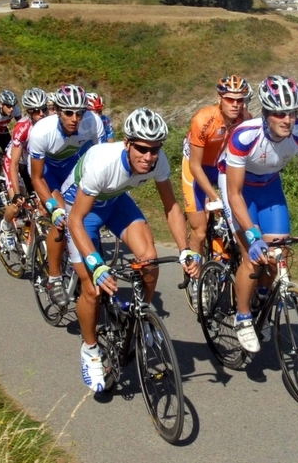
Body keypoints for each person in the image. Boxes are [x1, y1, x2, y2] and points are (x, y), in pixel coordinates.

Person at [56, 108, 200, 392]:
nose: (148, 157)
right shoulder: (104, 163)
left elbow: (170, 207)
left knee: (149, 259)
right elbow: (75, 220)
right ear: (128, 143)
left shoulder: (157, 163)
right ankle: (91, 350)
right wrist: (96, 264)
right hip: (82, 210)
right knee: (92, 289)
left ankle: (141, 318)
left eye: (155, 149)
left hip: (114, 201)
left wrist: (185, 249)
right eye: (142, 149)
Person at [222, 75, 298, 354]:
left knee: (279, 255)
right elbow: (234, 194)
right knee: (252, 259)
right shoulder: (244, 135)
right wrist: (252, 235)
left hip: (269, 188)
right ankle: (242, 317)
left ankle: (262, 297)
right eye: (279, 113)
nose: (287, 119)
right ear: (265, 112)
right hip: (239, 190)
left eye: (292, 112)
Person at [27, 84, 105, 307]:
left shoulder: (92, 122)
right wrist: (52, 206)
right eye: (68, 113)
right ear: (57, 111)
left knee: (87, 216)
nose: (75, 118)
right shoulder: (42, 131)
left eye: (79, 113)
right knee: (62, 221)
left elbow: (104, 159)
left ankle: (78, 262)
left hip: (75, 171)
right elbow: (36, 177)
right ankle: (54, 278)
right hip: (50, 175)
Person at [181, 75, 251, 301]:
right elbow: (194, 165)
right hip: (197, 167)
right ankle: (194, 280)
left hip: (222, 168)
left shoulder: (245, 119)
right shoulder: (203, 119)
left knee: (233, 219)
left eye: (240, 100)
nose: (236, 105)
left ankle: (223, 259)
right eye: (230, 99)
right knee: (200, 229)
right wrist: (213, 196)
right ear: (219, 98)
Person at [0, 88, 49, 249]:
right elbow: (13, 163)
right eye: (36, 111)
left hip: (32, 164)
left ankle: (31, 231)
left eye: (44, 109)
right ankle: (6, 226)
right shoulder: (22, 128)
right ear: (28, 112)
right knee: (17, 203)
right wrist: (17, 193)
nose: (41, 114)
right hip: (15, 162)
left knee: (43, 207)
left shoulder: (50, 123)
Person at [0, 89, 21, 157]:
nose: (11, 109)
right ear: (2, 105)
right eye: (8, 106)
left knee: (10, 154)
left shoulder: (15, 109)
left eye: (13, 106)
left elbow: (21, 124)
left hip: (3, 132)